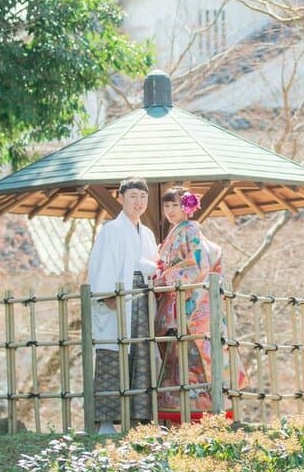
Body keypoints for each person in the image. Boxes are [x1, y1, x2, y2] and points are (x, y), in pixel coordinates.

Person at [153, 185, 240, 419]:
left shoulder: (190, 229)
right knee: (180, 359)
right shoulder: (176, 231)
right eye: (167, 205)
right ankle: (183, 410)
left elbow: (197, 266)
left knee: (192, 358)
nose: (170, 210)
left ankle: (198, 411)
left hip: (192, 305)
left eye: (176, 205)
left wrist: (165, 277)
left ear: (187, 207)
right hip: (178, 301)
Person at [87, 177, 158, 433]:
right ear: (120, 198)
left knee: (141, 355)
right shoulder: (111, 230)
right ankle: (106, 421)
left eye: (142, 196)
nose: (138, 202)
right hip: (118, 299)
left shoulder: (147, 233)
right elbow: (102, 265)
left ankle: (139, 418)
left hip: (141, 299)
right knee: (112, 355)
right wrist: (108, 295)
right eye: (132, 196)